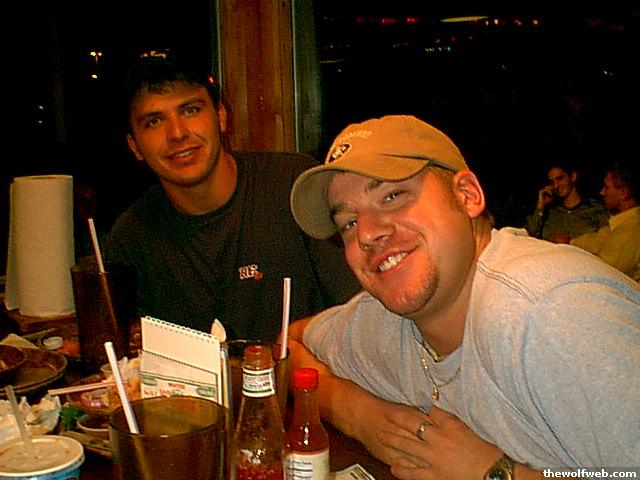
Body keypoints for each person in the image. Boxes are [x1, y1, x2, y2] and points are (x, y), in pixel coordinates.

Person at [286, 115, 640, 479]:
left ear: (467, 195)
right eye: (348, 222)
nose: (366, 234)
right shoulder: (388, 320)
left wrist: (496, 474)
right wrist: (364, 417)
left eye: (391, 196)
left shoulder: (552, 314)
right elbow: (287, 344)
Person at [104, 52, 360, 341]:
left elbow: (359, 312)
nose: (177, 133)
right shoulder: (131, 239)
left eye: (190, 110)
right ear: (134, 146)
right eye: (153, 121)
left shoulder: (293, 185)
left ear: (221, 117)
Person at [571, 160, 640, 282]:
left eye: (607, 187)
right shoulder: (620, 224)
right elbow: (597, 240)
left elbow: (601, 275)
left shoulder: (628, 233)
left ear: (623, 193)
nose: (602, 192)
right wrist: (570, 242)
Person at [525, 158, 608, 243]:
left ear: (573, 177)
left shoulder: (595, 209)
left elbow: (606, 239)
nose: (556, 186)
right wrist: (540, 206)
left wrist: (572, 242)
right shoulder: (549, 213)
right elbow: (528, 237)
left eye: (560, 179)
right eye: (552, 182)